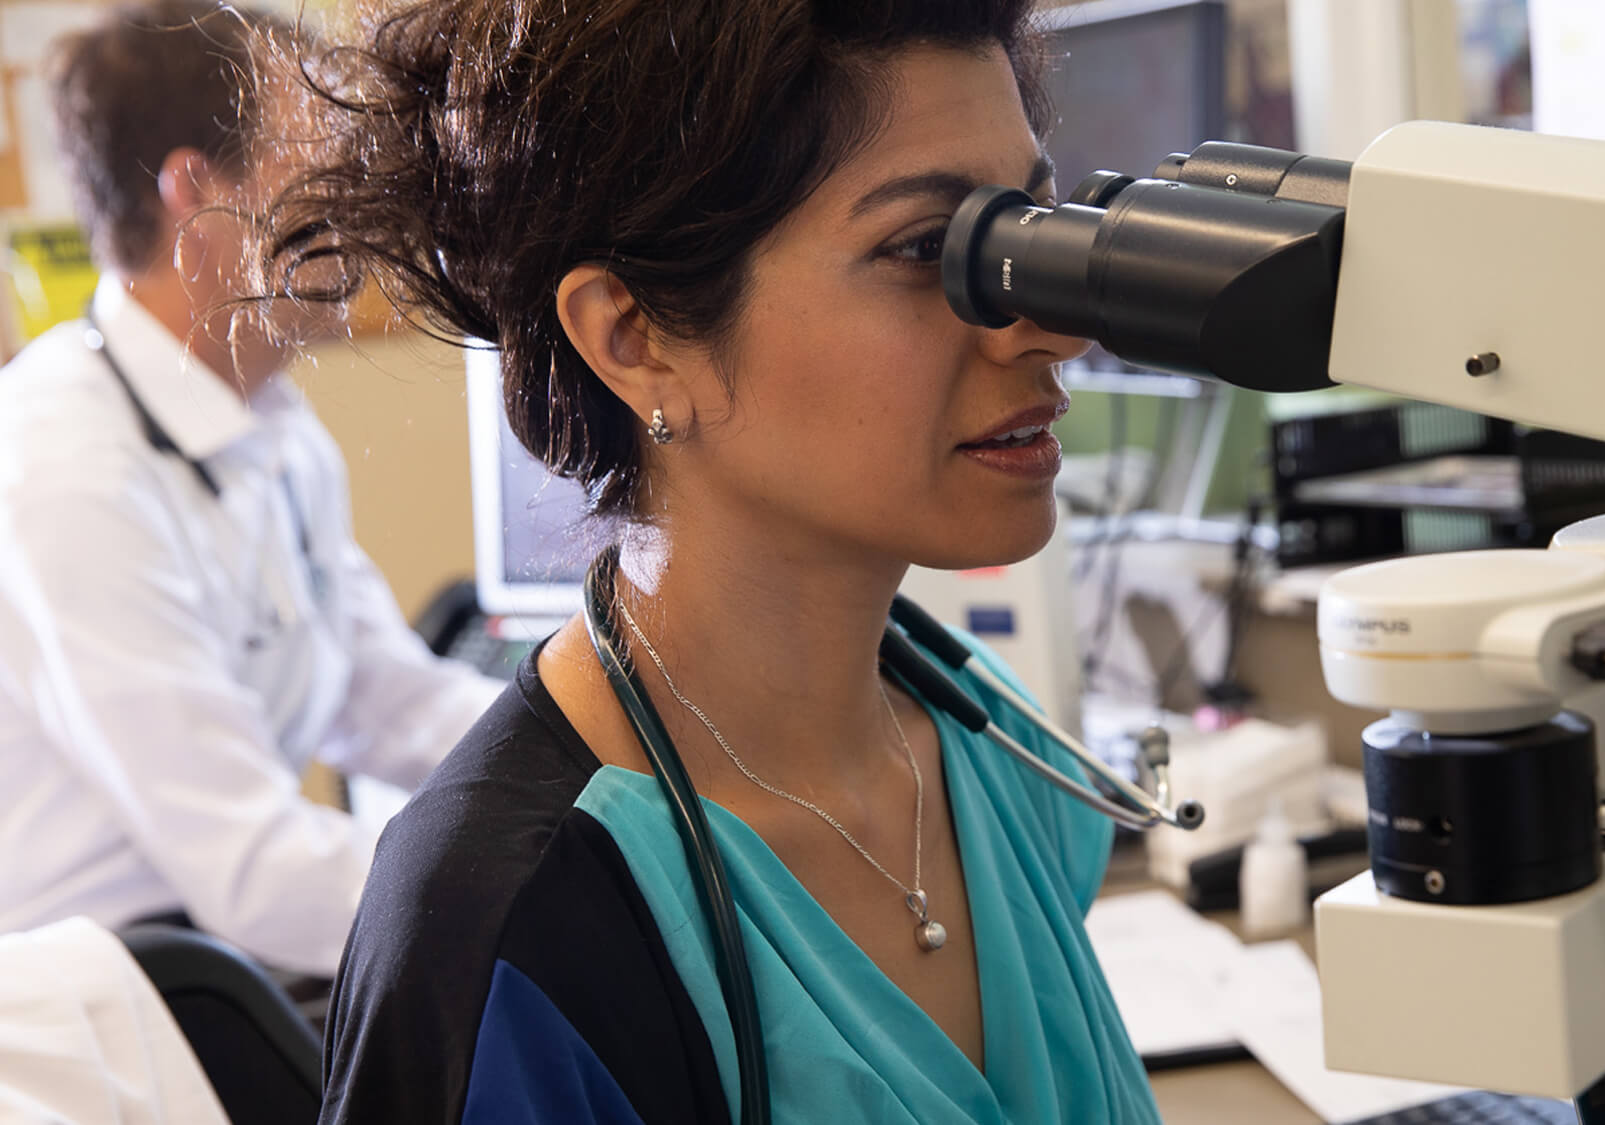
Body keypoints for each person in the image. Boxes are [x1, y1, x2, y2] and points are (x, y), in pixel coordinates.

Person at [253, 0, 1161, 1120]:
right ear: (632, 337)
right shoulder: (516, 936)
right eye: (928, 249)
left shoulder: (1009, 763)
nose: (1050, 328)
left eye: (1032, 222)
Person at [0, 0, 503, 980]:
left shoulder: (268, 426)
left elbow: (381, 697)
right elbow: (259, 876)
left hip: (221, 968)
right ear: (197, 191)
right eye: (326, 166)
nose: (361, 208)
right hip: (116, 1021)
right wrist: (548, 884)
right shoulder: (59, 463)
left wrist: (604, 772)